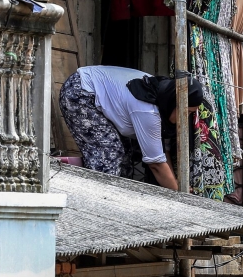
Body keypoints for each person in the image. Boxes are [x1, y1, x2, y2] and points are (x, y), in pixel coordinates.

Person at [58, 66, 203, 188]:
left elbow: (161, 152)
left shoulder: (163, 98)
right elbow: (156, 164)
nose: (186, 118)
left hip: (96, 93)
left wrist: (176, 185)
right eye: (186, 112)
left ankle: (73, 165)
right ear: (174, 102)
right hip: (80, 91)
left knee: (125, 157)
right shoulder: (148, 110)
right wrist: (180, 194)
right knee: (110, 152)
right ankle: (99, 203)